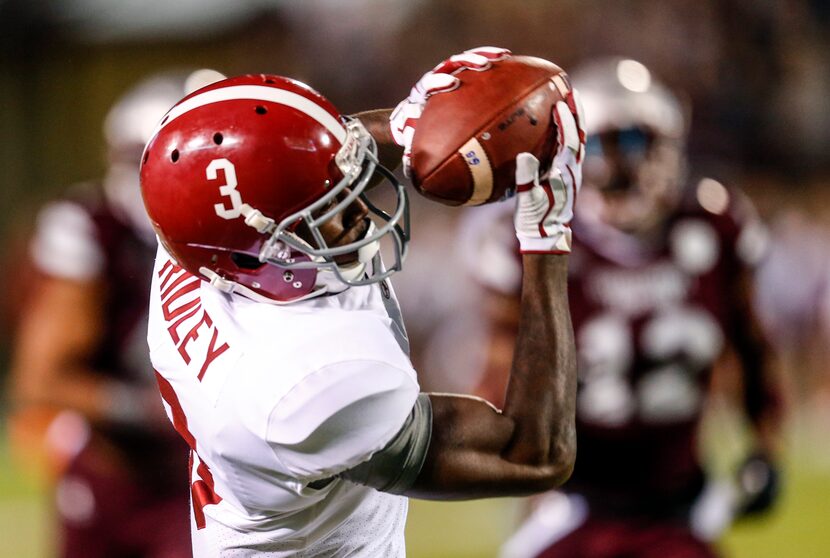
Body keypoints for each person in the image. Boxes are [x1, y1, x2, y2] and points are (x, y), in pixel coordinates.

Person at [138, 47, 583, 556]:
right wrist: (546, 236)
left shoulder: (196, 232)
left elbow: (284, 165)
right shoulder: (304, 389)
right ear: (258, 255)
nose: (361, 215)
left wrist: (408, 125)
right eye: (328, 211)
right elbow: (532, 456)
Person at [460, 58, 785, 558]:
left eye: (640, 140)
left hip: (682, 503)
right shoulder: (535, 240)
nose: (628, 162)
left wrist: (765, 446)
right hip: (571, 502)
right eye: (613, 142)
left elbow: (754, 350)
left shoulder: (718, 228)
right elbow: (502, 378)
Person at [9, 69, 223, 558]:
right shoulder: (97, 233)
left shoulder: (251, 237)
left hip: (205, 477)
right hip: (118, 471)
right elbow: (39, 380)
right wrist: (149, 409)